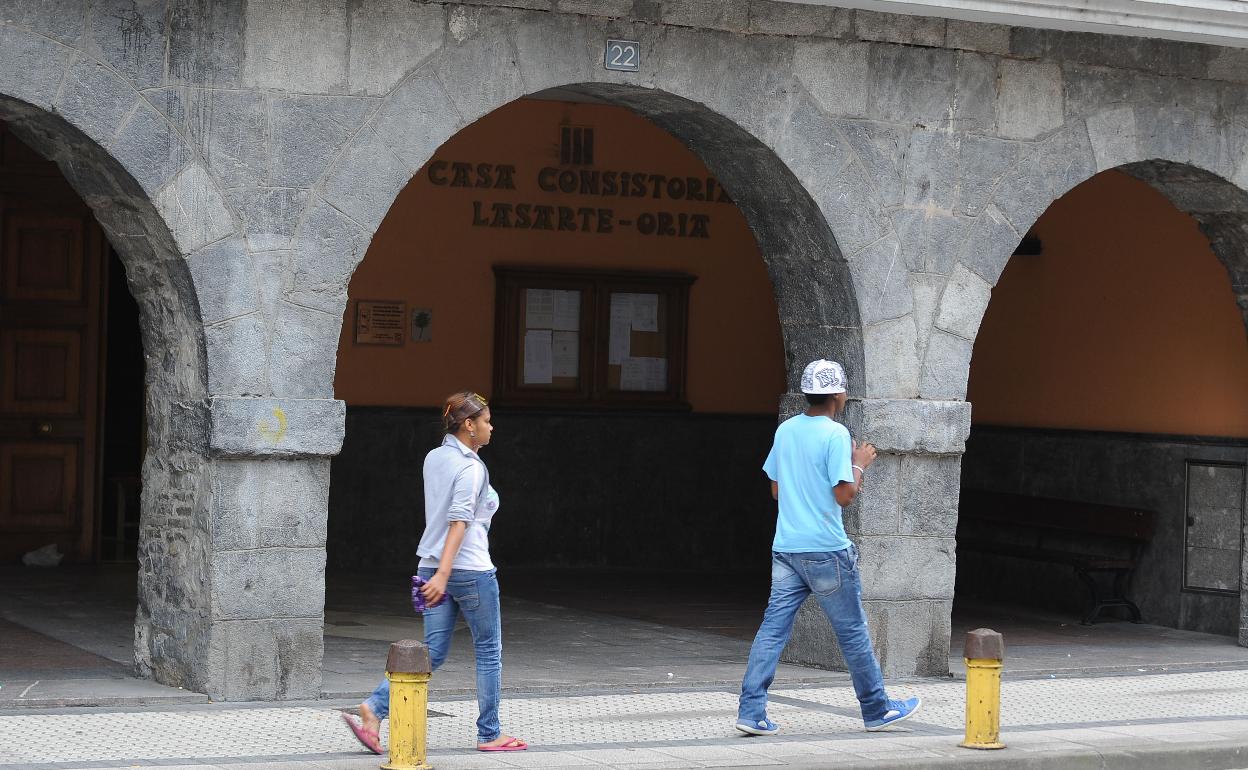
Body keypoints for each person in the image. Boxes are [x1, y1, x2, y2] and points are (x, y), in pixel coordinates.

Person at [736, 359, 921, 735]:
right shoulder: (836, 434)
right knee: (852, 632)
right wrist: (860, 464)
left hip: (787, 547)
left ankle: (751, 711)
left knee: (772, 630)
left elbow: (775, 489)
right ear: (839, 394)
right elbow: (845, 495)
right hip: (826, 550)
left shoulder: (786, 430)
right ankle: (876, 708)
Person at [342, 391, 527, 753]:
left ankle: (374, 709)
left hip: (427, 566)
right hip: (469, 570)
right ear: (469, 426)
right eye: (486, 420)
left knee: (433, 652)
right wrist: (445, 574)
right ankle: (490, 733)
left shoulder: (433, 458)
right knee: (489, 650)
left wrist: (438, 574)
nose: (492, 426)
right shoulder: (471, 468)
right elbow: (458, 521)